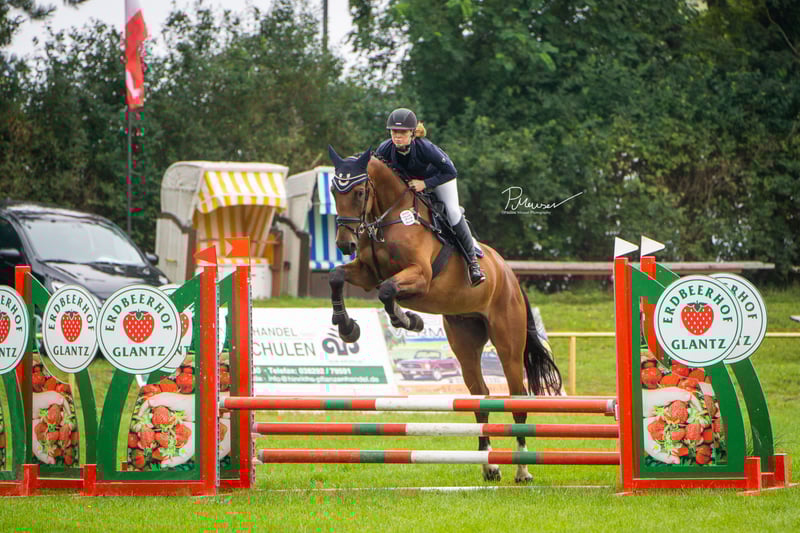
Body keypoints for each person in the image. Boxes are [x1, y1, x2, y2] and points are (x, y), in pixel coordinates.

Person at [375, 108, 486, 287]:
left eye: (402, 132)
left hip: (439, 178)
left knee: (452, 212)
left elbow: (450, 172)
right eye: (394, 132)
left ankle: (473, 264)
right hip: (411, 185)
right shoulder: (385, 149)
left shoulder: (425, 148)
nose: (397, 136)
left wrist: (425, 183)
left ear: (412, 133)